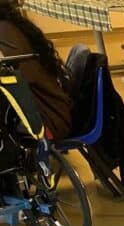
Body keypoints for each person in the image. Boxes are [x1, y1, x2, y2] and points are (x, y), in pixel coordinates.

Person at [0, 0, 72, 140]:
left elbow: (13, 80)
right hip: (39, 112)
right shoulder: (7, 26)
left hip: (45, 120)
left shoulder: (4, 32)